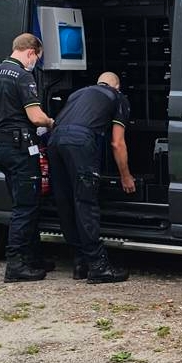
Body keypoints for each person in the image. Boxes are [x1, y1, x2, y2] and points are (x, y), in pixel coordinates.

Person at [48, 71, 137, 283]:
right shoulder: (117, 97)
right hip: (80, 142)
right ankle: (98, 266)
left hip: (55, 140)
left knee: (66, 203)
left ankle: (80, 262)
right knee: (85, 203)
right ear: (117, 86)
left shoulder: (78, 94)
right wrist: (126, 176)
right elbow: (117, 142)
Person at [0, 33, 54, 282]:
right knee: (26, 207)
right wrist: (50, 122)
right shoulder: (23, 76)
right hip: (22, 148)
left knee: (21, 201)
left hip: (2, 145)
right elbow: (35, 117)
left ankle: (33, 258)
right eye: (37, 58)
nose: (35, 63)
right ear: (31, 52)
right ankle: (15, 264)